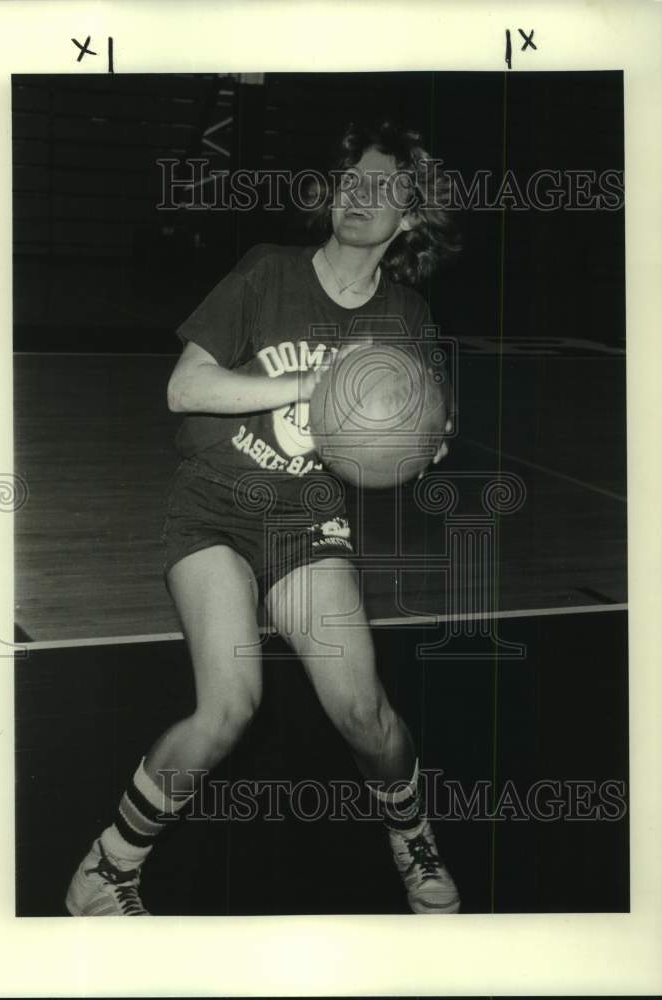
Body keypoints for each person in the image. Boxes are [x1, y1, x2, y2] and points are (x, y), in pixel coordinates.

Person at [66, 120, 462, 917]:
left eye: (384, 187)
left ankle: (410, 833)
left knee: (363, 712)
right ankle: (106, 871)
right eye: (352, 180)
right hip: (211, 506)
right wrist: (309, 388)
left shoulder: (406, 318)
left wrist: (418, 440)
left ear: (410, 217)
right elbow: (185, 389)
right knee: (229, 703)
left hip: (307, 517)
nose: (361, 195)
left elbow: (405, 437)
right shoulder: (268, 273)